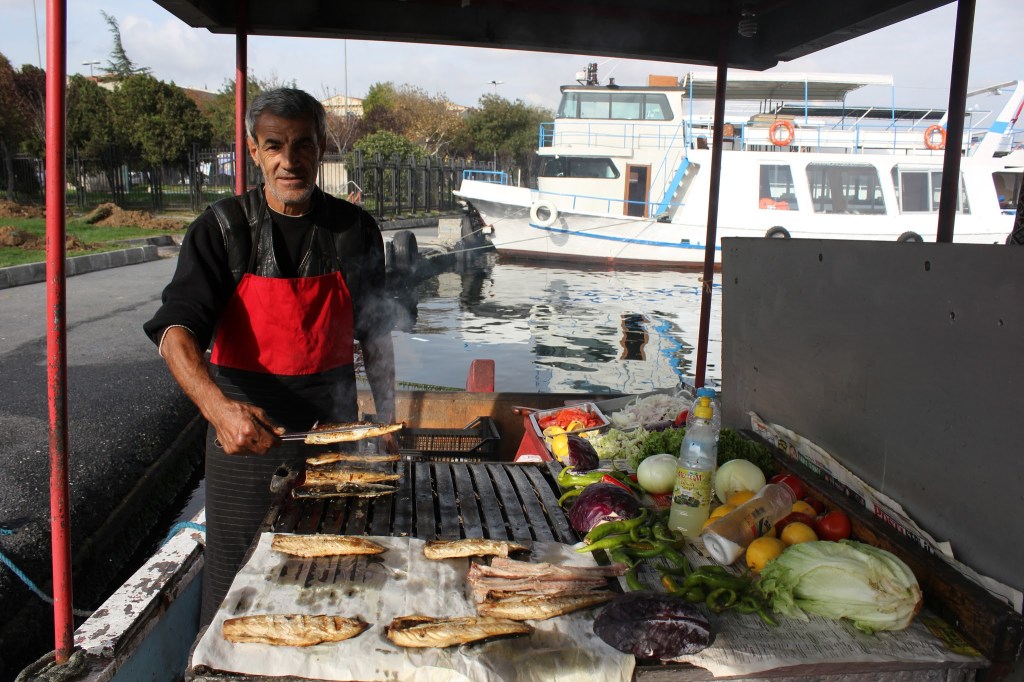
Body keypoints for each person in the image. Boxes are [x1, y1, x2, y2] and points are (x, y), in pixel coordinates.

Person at [143, 87, 396, 626]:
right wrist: (219, 411)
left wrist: (388, 417)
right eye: (274, 145)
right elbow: (175, 332)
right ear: (253, 151)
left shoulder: (355, 230)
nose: (289, 160)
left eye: (302, 145)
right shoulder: (221, 230)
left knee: (333, 577)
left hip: (334, 433)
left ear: (322, 146)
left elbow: (376, 334)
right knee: (236, 581)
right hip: (244, 435)